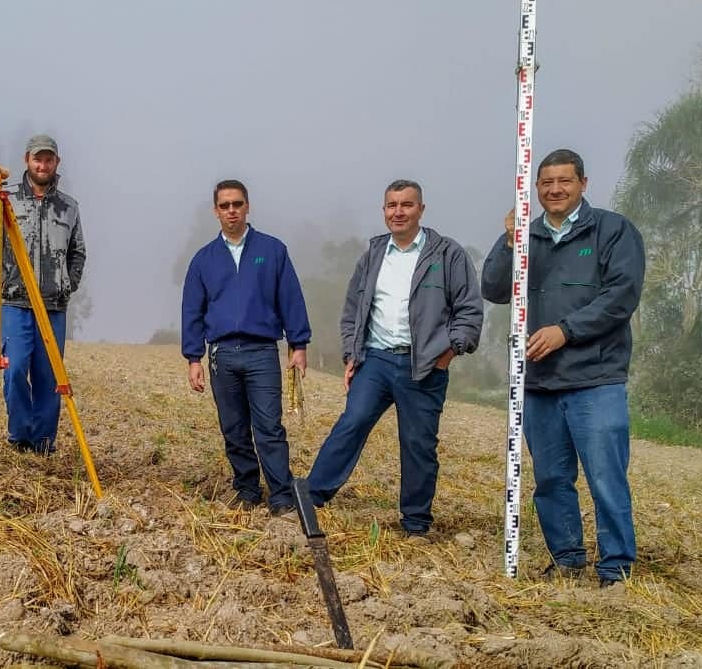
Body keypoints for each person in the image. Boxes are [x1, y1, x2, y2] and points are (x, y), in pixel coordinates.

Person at [480, 148, 645, 587]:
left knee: (606, 478)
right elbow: (494, 289)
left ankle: (615, 567)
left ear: (583, 184)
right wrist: (509, 239)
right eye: (546, 183)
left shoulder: (612, 230)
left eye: (565, 181)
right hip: (539, 384)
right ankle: (567, 558)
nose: (555, 189)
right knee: (551, 479)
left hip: (596, 380)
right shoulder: (527, 236)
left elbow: (622, 296)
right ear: (535, 189)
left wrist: (564, 331)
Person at [306, 180, 483, 536]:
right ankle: (311, 496)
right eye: (391, 205)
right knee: (351, 422)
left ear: (421, 209)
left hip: (424, 367)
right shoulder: (373, 255)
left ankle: (415, 523)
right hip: (376, 361)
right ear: (384, 210)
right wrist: (351, 353)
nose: (398, 212)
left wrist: (448, 353)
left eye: (406, 205)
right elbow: (353, 309)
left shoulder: (447, 254)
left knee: (418, 443)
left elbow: (469, 311)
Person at [181, 179, 311, 516]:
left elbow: (291, 298)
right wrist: (193, 357)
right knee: (234, 428)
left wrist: (298, 344)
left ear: (248, 206)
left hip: (262, 352)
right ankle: (247, 489)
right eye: (224, 206)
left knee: (269, 426)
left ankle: (281, 495)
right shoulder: (203, 260)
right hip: (222, 355)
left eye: (237, 204)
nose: (231, 211)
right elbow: (192, 311)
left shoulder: (272, 250)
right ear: (216, 211)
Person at [0, 135, 86, 455]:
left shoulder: (69, 207)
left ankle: (43, 441)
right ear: (27, 160)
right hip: (16, 301)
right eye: (38, 159)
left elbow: (78, 253)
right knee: (16, 368)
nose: (43, 165)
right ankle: (20, 434)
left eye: (48, 159)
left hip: (53, 306)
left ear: (56, 163)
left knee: (49, 375)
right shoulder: (7, 200)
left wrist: (67, 283)